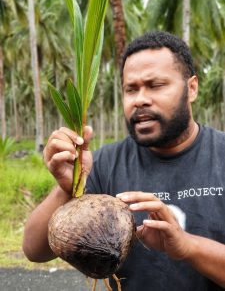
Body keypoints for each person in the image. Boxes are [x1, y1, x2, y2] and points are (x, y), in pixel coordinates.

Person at [23, 31, 225, 291]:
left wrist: (186, 246)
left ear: (192, 88)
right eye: (131, 89)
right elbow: (34, 250)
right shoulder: (106, 162)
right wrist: (66, 189)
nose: (140, 99)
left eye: (155, 85)